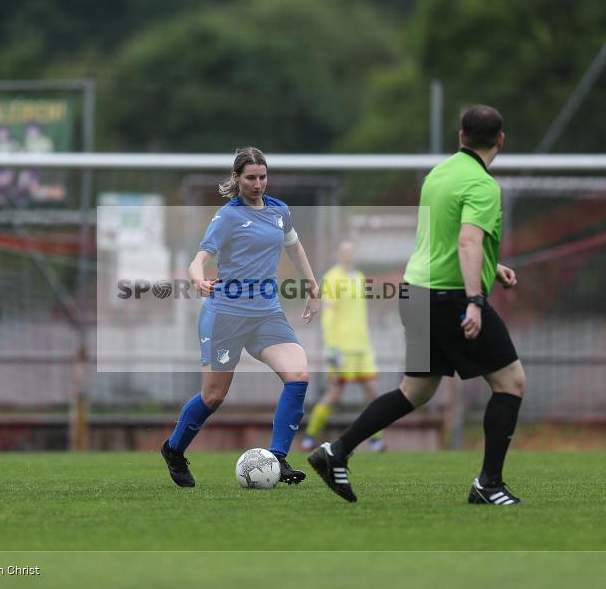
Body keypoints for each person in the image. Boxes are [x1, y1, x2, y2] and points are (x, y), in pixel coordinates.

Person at [308, 105, 526, 505]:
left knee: (416, 390)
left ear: (460, 136)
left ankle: (336, 451)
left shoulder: (437, 175)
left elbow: (444, 242)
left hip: (417, 294)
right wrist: (476, 300)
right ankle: (488, 484)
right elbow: (466, 242)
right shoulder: (483, 185)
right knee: (511, 382)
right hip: (451, 299)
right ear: (501, 140)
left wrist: (492, 269)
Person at [161, 147, 320, 488]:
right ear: (237, 178)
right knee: (214, 396)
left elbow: (294, 247)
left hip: (266, 314)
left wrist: (312, 284)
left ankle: (276, 460)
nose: (258, 184)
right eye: (250, 178)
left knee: (299, 375)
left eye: (263, 177)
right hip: (226, 314)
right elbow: (199, 258)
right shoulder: (228, 216)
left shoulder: (280, 211)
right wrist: (198, 279)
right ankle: (174, 450)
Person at [301, 240, 385, 453]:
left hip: (362, 348)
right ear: (338, 253)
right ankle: (310, 436)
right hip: (342, 347)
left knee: (375, 394)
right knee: (334, 394)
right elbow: (329, 315)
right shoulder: (332, 277)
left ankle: (376, 440)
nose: (348, 255)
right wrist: (332, 347)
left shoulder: (359, 278)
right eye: (344, 251)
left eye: (351, 251)